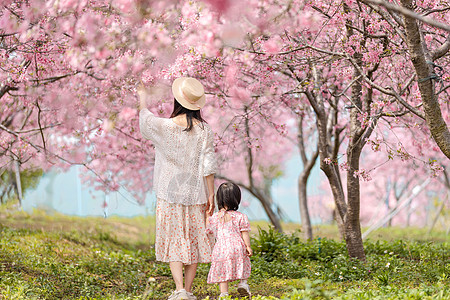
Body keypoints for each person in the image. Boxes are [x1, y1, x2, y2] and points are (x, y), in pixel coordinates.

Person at [139, 77, 216, 300]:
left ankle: (179, 289)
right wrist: (211, 193)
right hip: (196, 192)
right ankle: (189, 291)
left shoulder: (166, 126)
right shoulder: (205, 131)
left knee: (175, 238)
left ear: (177, 100)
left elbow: (146, 122)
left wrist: (142, 98)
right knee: (193, 238)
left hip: (169, 192)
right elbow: (208, 163)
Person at [206, 182, 252, 299]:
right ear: (237, 198)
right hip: (237, 246)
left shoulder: (215, 217)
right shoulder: (241, 216)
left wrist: (207, 216)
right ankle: (243, 283)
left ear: (219, 199)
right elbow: (244, 233)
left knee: (222, 270)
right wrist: (248, 246)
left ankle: (224, 293)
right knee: (242, 263)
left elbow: (209, 230)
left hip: (221, 248)